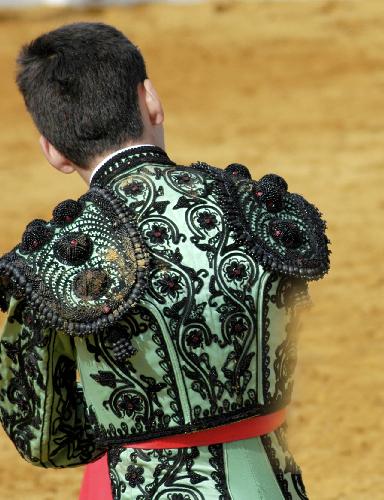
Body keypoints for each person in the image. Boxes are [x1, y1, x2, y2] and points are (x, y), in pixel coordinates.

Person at [0, 22, 329, 499]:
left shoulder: (54, 260)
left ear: (53, 152)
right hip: (269, 482)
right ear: (150, 100)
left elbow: (46, 439)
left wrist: (123, 423)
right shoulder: (260, 208)